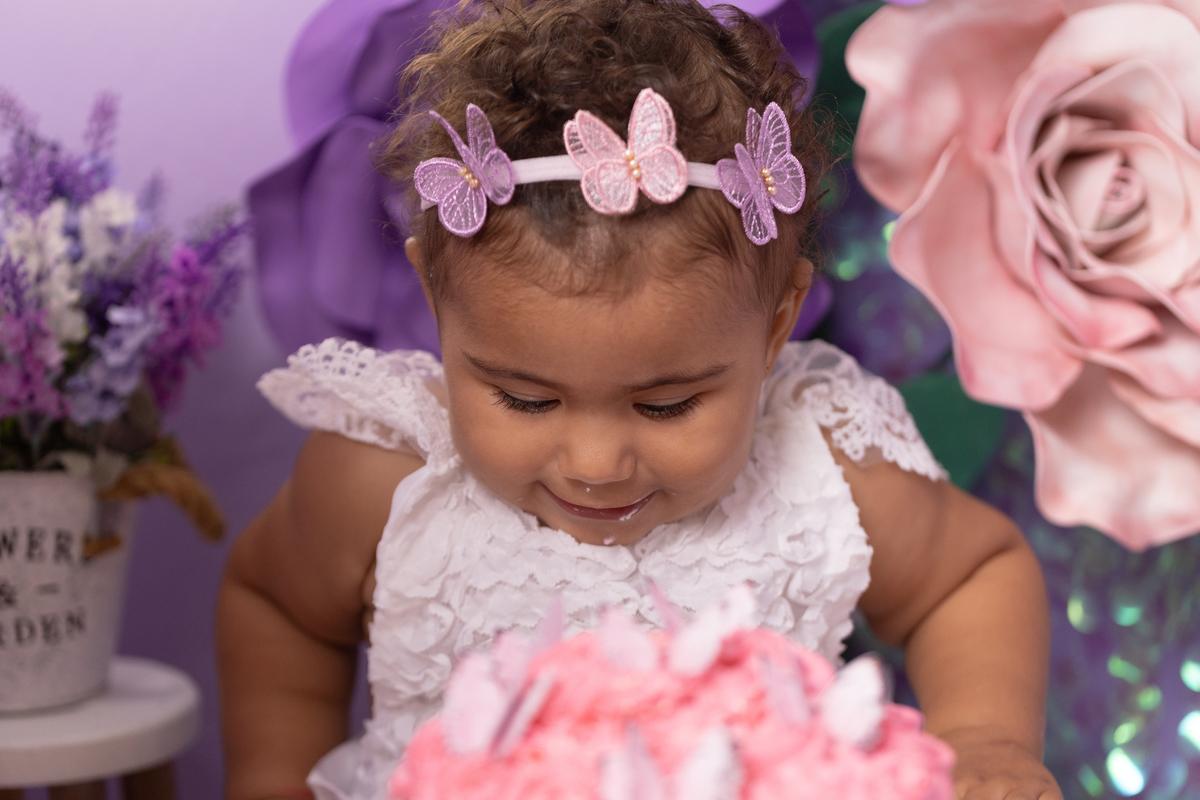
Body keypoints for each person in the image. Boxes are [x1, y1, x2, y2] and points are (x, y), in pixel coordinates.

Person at [217, 2, 1062, 799]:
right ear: (437, 305)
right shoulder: (385, 478)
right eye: (524, 399)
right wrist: (273, 776)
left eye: (665, 406)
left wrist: (985, 736)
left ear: (775, 326)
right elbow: (278, 607)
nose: (595, 464)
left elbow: (969, 575)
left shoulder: (822, 468)